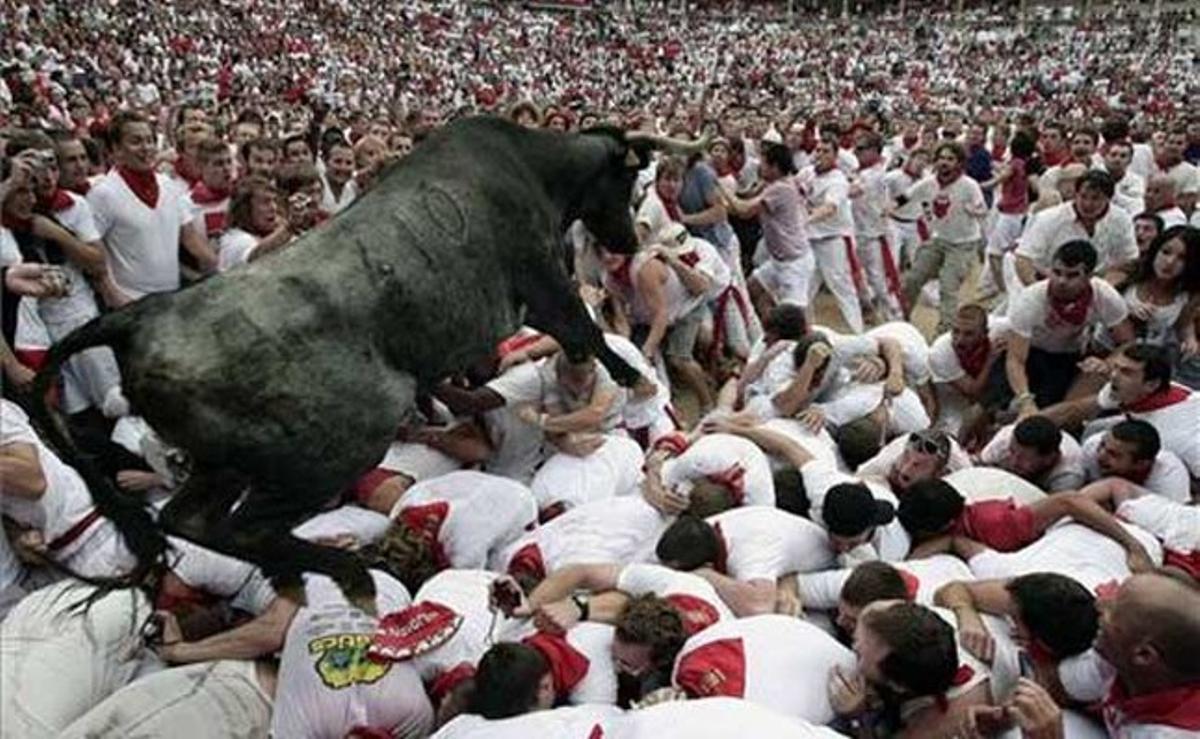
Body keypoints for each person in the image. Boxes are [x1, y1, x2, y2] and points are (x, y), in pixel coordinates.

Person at [87, 111, 216, 300]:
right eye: (136, 141)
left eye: (149, 140)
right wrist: (113, 296)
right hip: (131, 305)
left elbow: (191, 240)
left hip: (170, 300)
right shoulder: (103, 195)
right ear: (116, 149)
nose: (146, 147)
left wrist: (221, 269)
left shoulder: (169, 186)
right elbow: (92, 256)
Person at [1006, 240, 1134, 414]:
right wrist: (1025, 400)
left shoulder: (1104, 296)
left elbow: (1128, 342)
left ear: (1089, 277)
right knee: (985, 410)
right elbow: (1015, 359)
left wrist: (1107, 363)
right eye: (1057, 272)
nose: (1061, 281)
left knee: (1053, 411)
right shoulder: (1031, 299)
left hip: (1068, 356)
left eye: (1072, 275)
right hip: (1030, 351)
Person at [900, 142, 988, 332]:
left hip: (963, 244)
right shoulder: (929, 182)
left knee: (948, 287)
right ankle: (901, 321)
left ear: (959, 163)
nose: (944, 163)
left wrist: (974, 210)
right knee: (913, 279)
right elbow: (906, 196)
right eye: (941, 158)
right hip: (939, 239)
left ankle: (945, 333)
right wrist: (889, 207)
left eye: (950, 159)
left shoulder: (969, 185)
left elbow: (982, 210)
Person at [726, 141, 813, 314]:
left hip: (793, 263)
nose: (760, 168)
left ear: (774, 167)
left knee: (794, 316)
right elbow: (747, 195)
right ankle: (770, 331)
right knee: (752, 290)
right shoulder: (776, 184)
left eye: (764, 164)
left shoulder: (781, 189)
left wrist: (719, 189)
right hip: (779, 260)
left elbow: (744, 210)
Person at [1016, 170, 1140, 289]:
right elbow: (1023, 260)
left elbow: (1129, 262)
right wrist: (1043, 293)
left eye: (1095, 198)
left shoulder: (1121, 219)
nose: (1087, 204)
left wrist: (1102, 289)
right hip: (1049, 281)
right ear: (1075, 194)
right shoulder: (1049, 218)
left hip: (1098, 284)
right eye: (1083, 196)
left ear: (1109, 199)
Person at [798, 139, 865, 332]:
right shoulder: (807, 172)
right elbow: (792, 186)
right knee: (804, 287)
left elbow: (829, 208)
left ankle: (857, 333)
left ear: (835, 156)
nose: (820, 154)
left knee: (841, 286)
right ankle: (804, 331)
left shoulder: (838, 180)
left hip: (834, 239)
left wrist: (803, 221)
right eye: (818, 150)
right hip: (811, 239)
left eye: (826, 151)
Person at [851, 131, 904, 320]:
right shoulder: (865, 169)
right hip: (860, 232)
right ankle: (871, 309)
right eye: (855, 148)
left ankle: (896, 317)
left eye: (861, 149)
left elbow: (853, 191)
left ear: (874, 151)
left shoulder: (875, 173)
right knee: (856, 274)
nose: (855, 152)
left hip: (877, 235)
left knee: (881, 280)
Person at [1080, 420, 1190, 503]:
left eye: (1113, 454)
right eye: (1102, 445)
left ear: (1141, 464)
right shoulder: (1092, 446)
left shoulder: (1169, 478)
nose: (1101, 455)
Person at [977, 415, 1085, 492]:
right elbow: (979, 468)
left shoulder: (1070, 474)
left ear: (1049, 459)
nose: (1014, 462)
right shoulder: (1003, 441)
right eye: (1012, 451)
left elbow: (1051, 510)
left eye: (1023, 458)